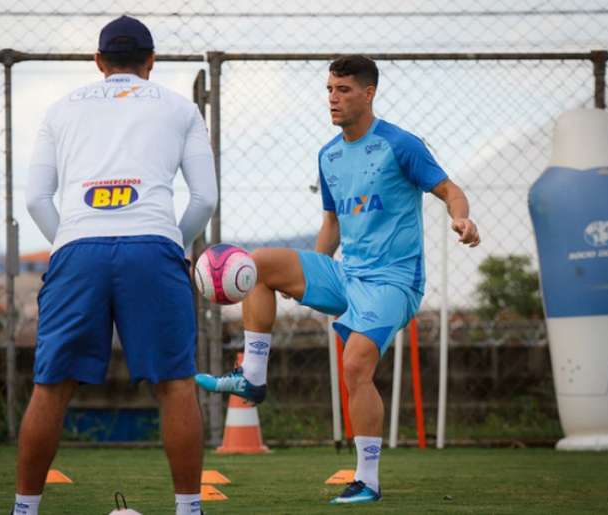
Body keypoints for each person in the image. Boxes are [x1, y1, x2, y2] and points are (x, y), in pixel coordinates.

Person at [196, 55, 479, 505]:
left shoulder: (400, 144)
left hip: (394, 281)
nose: (333, 98)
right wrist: (310, 275)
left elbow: (450, 190)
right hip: (347, 274)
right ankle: (252, 376)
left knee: (355, 365)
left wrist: (462, 219)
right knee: (257, 264)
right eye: (329, 89)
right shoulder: (328, 154)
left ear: (368, 94)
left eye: (343, 90)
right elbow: (331, 224)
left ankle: (367, 479)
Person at [13, 15, 217, 515]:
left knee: (51, 386)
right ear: (151, 61)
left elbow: (37, 199)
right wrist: (175, 242)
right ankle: (189, 509)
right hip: (154, 245)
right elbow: (205, 199)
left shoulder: (60, 110)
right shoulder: (180, 107)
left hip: (77, 246)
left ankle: (24, 510)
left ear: (99, 61)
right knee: (175, 384)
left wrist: (70, 240)